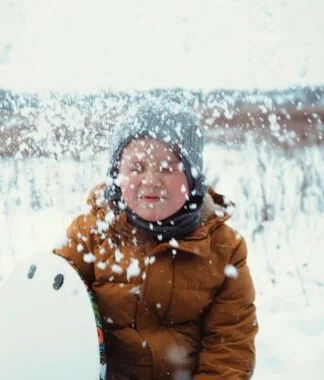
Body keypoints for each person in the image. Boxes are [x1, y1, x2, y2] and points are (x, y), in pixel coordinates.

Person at [53, 99, 258, 379]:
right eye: (135, 168)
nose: (151, 180)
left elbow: (230, 349)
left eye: (167, 168)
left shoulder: (223, 248)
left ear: (192, 177)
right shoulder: (91, 234)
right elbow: (52, 309)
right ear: (117, 175)